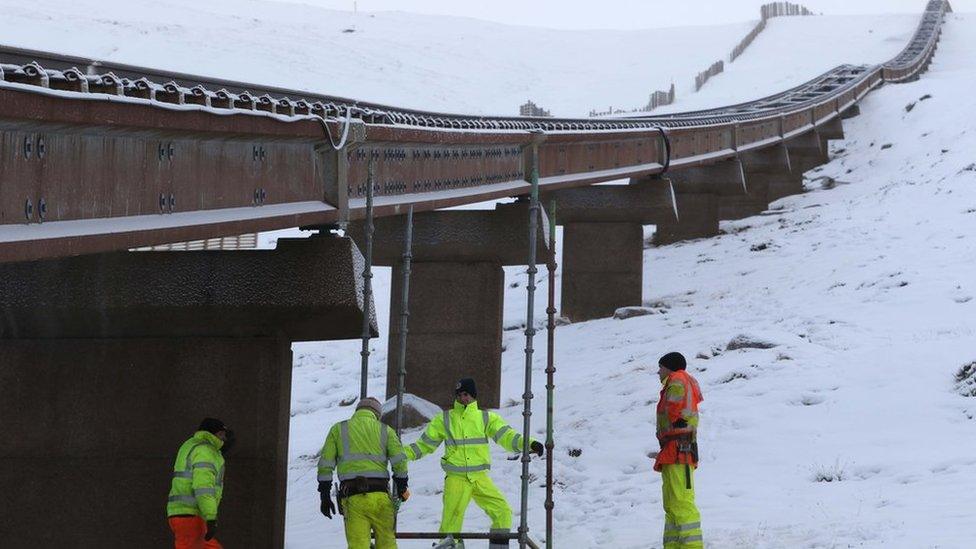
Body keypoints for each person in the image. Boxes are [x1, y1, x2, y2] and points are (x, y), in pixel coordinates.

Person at [405, 378, 544, 549]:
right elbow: (424, 445)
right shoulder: (445, 419)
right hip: (456, 479)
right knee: (451, 523)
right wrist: (402, 454)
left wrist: (529, 443)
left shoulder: (486, 418)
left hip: (480, 478)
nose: (463, 398)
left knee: (502, 512)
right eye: (459, 395)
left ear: (473, 395)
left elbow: (507, 436)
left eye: (466, 394)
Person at [318, 397, 410, 549]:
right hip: (381, 497)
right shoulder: (385, 430)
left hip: (353, 498)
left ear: (357, 411)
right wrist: (402, 487)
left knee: (358, 545)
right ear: (376, 414)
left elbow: (325, 466)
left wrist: (325, 496)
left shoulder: (338, 429)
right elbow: (400, 461)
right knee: (387, 543)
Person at [654, 352, 704, 549]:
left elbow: (675, 409)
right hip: (674, 450)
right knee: (673, 504)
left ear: (669, 367)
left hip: (678, 451)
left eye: (661, 367)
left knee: (681, 503)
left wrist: (673, 423)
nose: (658, 371)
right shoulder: (681, 381)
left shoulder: (677, 380)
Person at [166, 417, 235, 549]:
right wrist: (211, 517)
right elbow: (203, 487)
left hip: (185, 514)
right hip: (191, 515)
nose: (223, 439)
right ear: (211, 434)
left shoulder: (191, 445)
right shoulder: (205, 451)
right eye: (221, 435)